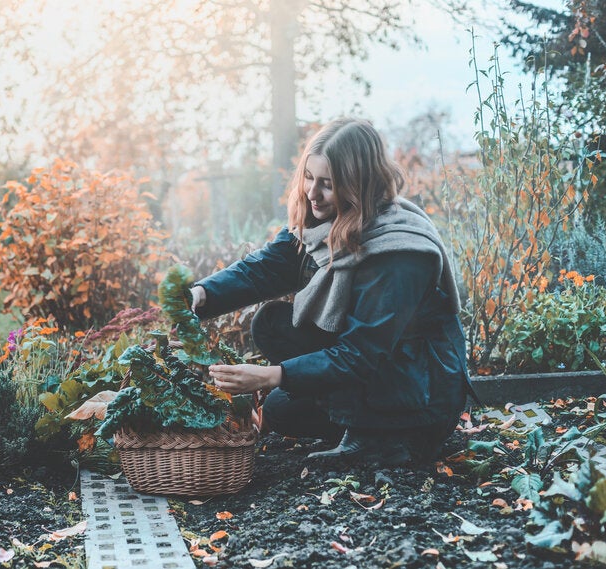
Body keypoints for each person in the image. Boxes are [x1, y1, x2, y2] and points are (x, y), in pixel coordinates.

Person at [190, 118, 470, 466]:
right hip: (377, 375)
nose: (312, 193)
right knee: (277, 388)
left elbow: (361, 353)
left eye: (328, 184)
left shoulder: (399, 251)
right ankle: (364, 422)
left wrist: (271, 375)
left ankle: (393, 439)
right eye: (308, 177)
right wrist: (200, 295)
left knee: (283, 397)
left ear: (358, 185)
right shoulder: (328, 222)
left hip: (421, 392)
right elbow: (265, 267)